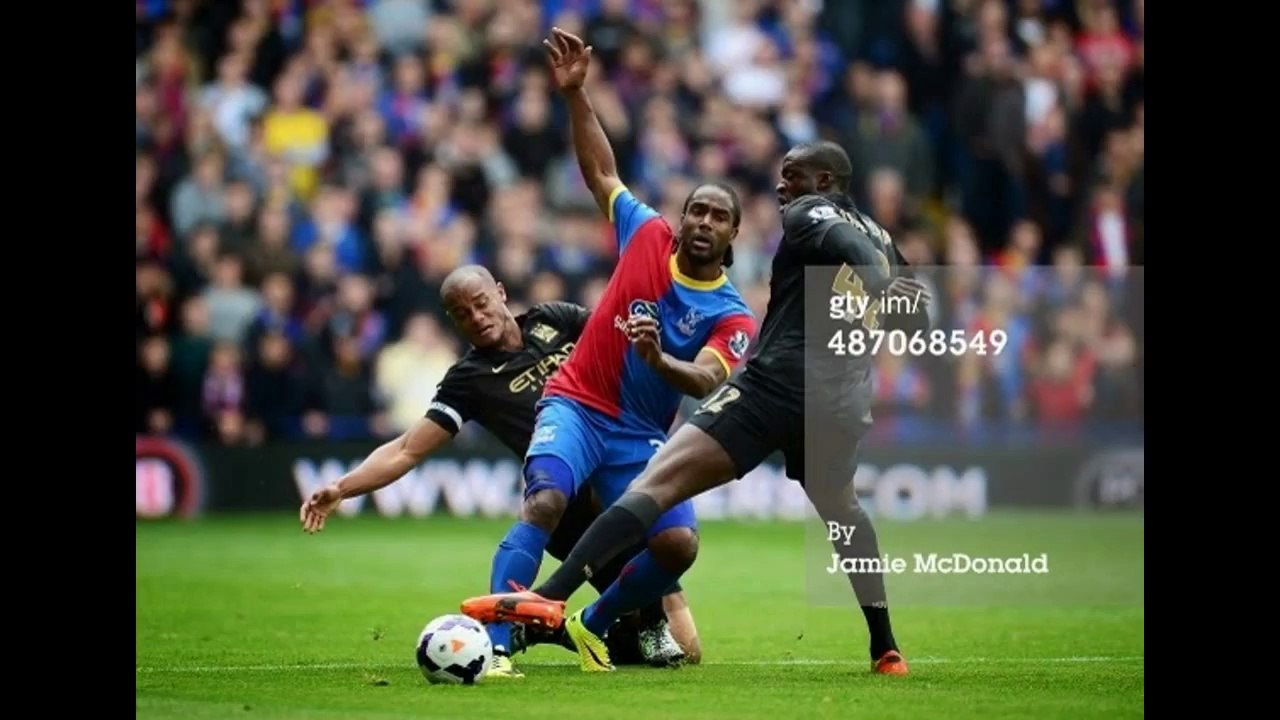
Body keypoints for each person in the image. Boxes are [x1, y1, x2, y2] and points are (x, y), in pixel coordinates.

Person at [460, 129, 931, 676]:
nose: (781, 187)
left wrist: (873, 281)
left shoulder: (810, 213)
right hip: (841, 406)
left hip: (774, 388)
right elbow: (916, 318)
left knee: (657, 485)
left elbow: (844, 247)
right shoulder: (881, 235)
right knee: (844, 515)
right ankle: (886, 648)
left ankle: (547, 598)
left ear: (824, 181)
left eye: (792, 176)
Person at [467, 27, 756, 674]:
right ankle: (498, 643)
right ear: (682, 217)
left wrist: (658, 362)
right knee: (545, 502)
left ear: (734, 233)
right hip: (576, 401)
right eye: (697, 211)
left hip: (640, 436)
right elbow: (601, 172)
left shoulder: (733, 314)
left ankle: (587, 624)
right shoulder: (646, 233)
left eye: (718, 217)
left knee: (678, 545)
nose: (704, 222)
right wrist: (576, 95)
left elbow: (707, 379)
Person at [299, 265, 701, 678]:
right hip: (564, 511)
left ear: (501, 293)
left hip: (617, 485)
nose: (476, 317)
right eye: (462, 314)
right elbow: (405, 450)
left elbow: (618, 340)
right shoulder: (468, 379)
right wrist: (342, 487)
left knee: (687, 648)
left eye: (480, 303)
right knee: (557, 501)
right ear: (452, 322)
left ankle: (552, 628)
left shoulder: (556, 319)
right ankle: (498, 640)